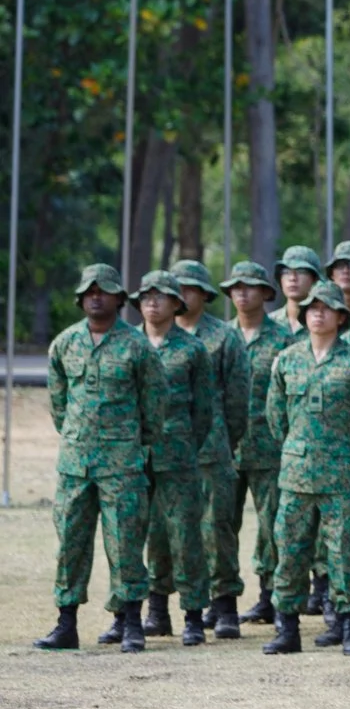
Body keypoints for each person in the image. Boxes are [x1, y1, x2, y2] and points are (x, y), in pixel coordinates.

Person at [33, 265, 163, 652]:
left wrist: (133, 445)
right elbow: (59, 404)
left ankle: (132, 623)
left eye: (104, 291)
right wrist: (77, 436)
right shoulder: (64, 344)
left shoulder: (136, 346)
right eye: (89, 291)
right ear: (80, 298)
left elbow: (153, 407)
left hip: (122, 462)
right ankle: (66, 622)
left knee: (124, 543)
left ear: (120, 300)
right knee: (71, 541)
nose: (95, 296)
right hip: (75, 464)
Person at [261, 281, 350, 656]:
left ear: (341, 317)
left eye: (326, 308)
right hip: (295, 475)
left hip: (340, 473)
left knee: (344, 552)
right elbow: (276, 416)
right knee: (290, 551)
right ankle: (287, 628)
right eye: (311, 308)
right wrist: (297, 449)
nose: (317, 313)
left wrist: (342, 450)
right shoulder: (288, 359)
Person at [133, 270, 217, 646]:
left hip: (179, 453)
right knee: (141, 536)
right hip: (133, 455)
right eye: (147, 296)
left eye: (161, 296)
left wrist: (186, 442)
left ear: (175, 304)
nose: (153, 302)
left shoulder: (191, 349)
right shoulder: (127, 344)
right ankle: (151, 612)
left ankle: (194, 615)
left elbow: (204, 410)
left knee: (185, 537)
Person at [168, 260, 250, 639]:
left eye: (190, 289)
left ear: (203, 295)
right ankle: (167, 604)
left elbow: (237, 400)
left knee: (217, 528)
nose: (183, 295)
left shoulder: (224, 337)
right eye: (177, 288)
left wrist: (224, 440)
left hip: (213, 448)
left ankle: (225, 604)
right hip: (168, 450)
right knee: (167, 530)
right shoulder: (152, 335)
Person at [221, 262, 296, 627]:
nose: (242, 293)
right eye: (236, 287)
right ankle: (223, 603)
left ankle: (271, 597)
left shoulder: (284, 339)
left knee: (273, 528)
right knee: (219, 525)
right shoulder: (221, 337)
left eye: (251, 287)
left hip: (270, 450)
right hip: (225, 450)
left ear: (266, 294)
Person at [277, 245, 322, 333]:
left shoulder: (322, 323)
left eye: (301, 272)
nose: (292, 278)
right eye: (286, 272)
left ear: (314, 279)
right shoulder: (269, 323)